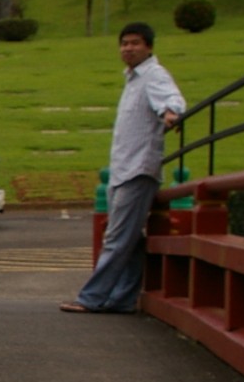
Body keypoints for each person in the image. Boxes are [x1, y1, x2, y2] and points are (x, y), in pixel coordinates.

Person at [62, 21, 185, 313]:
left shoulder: (154, 74)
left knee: (117, 239)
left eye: (135, 43)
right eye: (124, 43)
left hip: (138, 170)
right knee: (129, 239)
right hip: (123, 169)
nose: (128, 48)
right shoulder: (133, 80)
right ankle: (121, 299)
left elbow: (172, 99)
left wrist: (171, 113)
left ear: (149, 47)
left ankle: (91, 298)